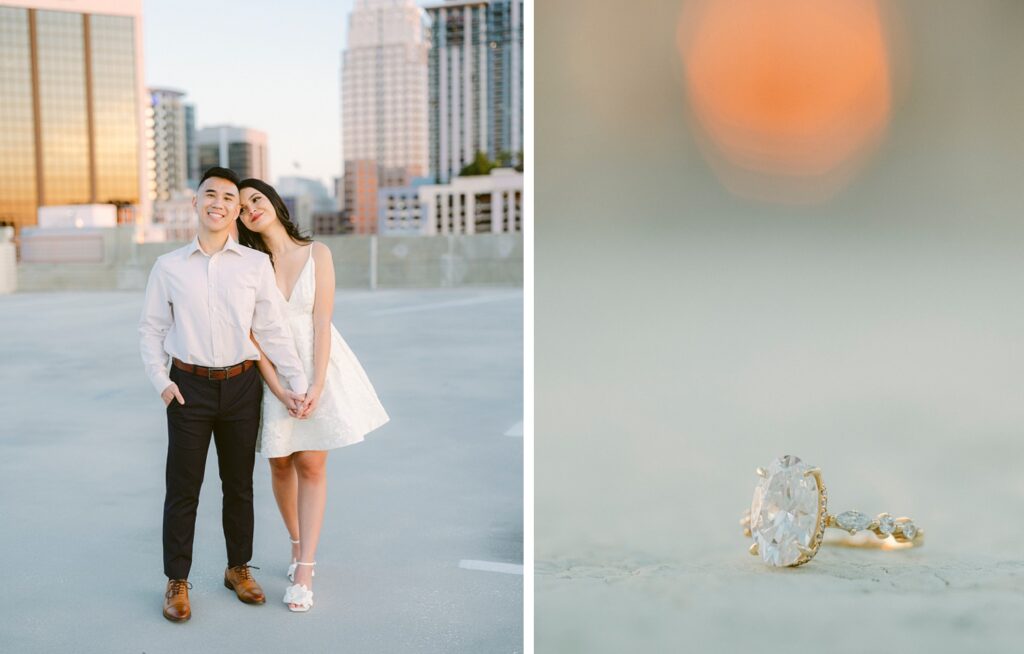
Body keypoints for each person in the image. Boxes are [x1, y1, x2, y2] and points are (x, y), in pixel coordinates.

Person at [139, 167, 310, 622]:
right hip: (187, 388)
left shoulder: (254, 265)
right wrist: (162, 382)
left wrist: (296, 382)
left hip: (241, 387)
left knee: (239, 486)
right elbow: (151, 329)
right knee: (183, 489)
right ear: (196, 203)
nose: (218, 202)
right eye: (210, 194)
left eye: (229, 197)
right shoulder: (169, 266)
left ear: (237, 211)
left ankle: (238, 569)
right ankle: (177, 580)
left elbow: (271, 329)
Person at [236, 178, 389, 612]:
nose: (251, 209)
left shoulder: (317, 253)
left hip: (317, 363)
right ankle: (296, 541)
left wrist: (316, 385)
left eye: (256, 199)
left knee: (311, 463)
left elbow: (322, 321)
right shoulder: (249, 264)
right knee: (280, 462)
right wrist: (278, 387)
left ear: (274, 202)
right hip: (271, 372)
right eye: (242, 208)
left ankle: (305, 567)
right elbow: (252, 336)